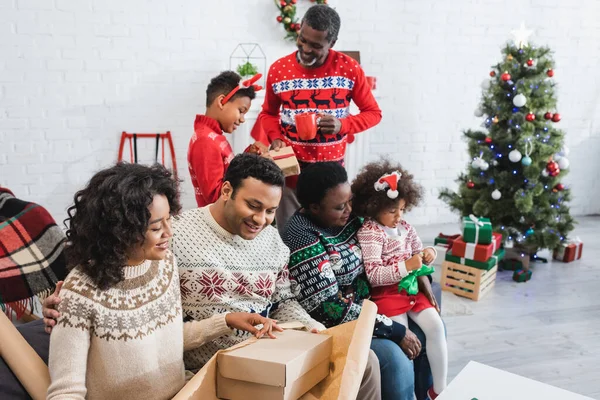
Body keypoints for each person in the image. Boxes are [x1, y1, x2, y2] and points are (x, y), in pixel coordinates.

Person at [44, 155, 381, 400]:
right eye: (253, 205)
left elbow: (170, 337)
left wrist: (302, 327)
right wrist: (64, 303)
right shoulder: (170, 244)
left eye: (270, 211)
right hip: (212, 372)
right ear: (225, 190)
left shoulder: (165, 264)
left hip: (235, 363)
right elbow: (67, 387)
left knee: (363, 362)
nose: (262, 219)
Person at [46, 163, 280, 400]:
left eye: (169, 219)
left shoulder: (164, 264)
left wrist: (226, 321)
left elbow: (166, 340)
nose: (169, 232)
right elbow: (65, 392)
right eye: (157, 227)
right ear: (121, 230)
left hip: (184, 393)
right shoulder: (79, 293)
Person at [282, 161, 438, 400]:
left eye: (350, 201)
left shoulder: (350, 216)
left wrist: (422, 275)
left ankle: (428, 394)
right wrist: (392, 329)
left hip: (376, 300)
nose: (349, 210)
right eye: (339, 207)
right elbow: (329, 309)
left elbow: (395, 242)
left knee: (433, 326)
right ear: (313, 207)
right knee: (396, 359)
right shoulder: (302, 237)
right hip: (342, 323)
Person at [250, 4, 382, 232]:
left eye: (316, 45)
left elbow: (374, 113)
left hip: (330, 181)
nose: (306, 49)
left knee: (329, 239)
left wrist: (343, 125)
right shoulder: (279, 70)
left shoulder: (349, 69)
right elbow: (268, 113)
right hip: (291, 176)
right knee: (289, 238)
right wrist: (276, 137)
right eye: (303, 40)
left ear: (332, 43)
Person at [352, 160, 447, 400]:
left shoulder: (405, 227)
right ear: (374, 207)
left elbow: (419, 252)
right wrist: (407, 266)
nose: (398, 216)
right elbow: (374, 275)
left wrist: (428, 255)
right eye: (392, 211)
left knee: (436, 326)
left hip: (412, 290)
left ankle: (439, 389)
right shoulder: (371, 232)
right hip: (388, 296)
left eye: (402, 209)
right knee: (407, 339)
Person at [188, 71, 263, 208]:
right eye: (241, 111)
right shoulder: (205, 141)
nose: (242, 119)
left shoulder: (214, 137)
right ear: (221, 102)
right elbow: (216, 197)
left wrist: (248, 157)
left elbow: (227, 174)